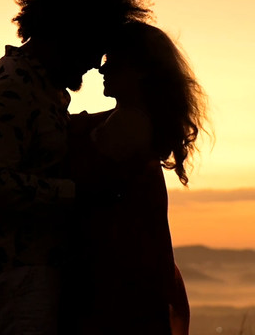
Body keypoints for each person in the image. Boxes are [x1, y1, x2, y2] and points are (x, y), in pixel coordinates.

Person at [0, 0, 152, 335]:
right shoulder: (12, 85)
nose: (97, 63)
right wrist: (80, 193)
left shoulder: (37, 88)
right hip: (15, 273)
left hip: (29, 271)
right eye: (95, 45)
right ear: (70, 33)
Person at [67, 21, 207, 335]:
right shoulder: (130, 120)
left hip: (117, 287)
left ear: (141, 70)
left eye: (111, 63)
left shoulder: (130, 124)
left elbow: (81, 179)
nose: (102, 71)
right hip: (123, 281)